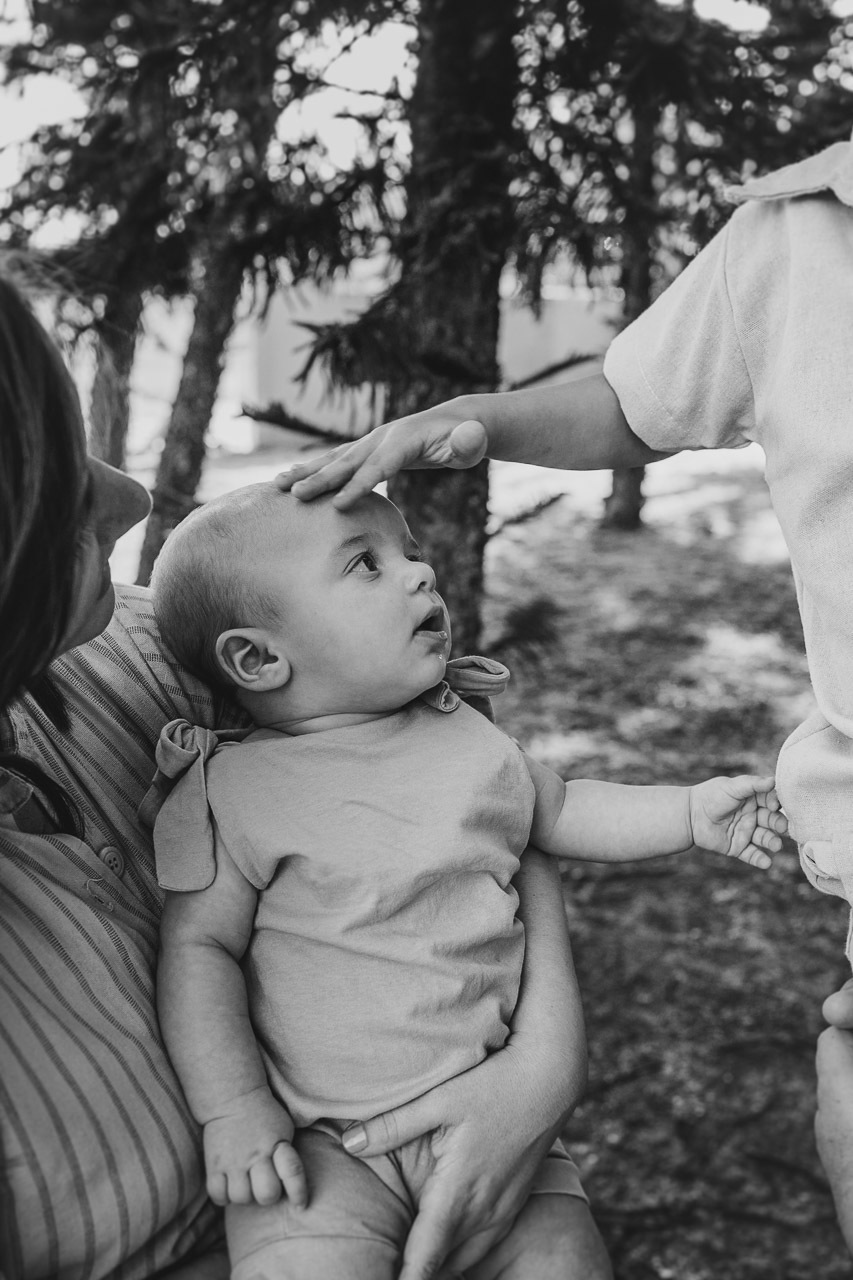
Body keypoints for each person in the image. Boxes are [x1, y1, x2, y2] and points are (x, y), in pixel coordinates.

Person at [277, 133, 853, 1250]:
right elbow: (637, 399)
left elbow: (539, 808)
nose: (419, 580)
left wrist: (686, 812)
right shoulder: (797, 231)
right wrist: (479, 419)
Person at [0, 272, 608, 1280]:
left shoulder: (157, 649)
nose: (133, 497)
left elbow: (472, 819)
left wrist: (545, 1061)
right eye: (63, 483)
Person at [147, 480, 785, 1280]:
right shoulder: (234, 790)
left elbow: (566, 808)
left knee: (565, 1264)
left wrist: (689, 813)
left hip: (500, 1118)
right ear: (258, 658)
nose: (421, 573)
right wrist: (234, 1108)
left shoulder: (467, 740)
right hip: (322, 1146)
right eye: (365, 564)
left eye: (410, 553)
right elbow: (198, 951)